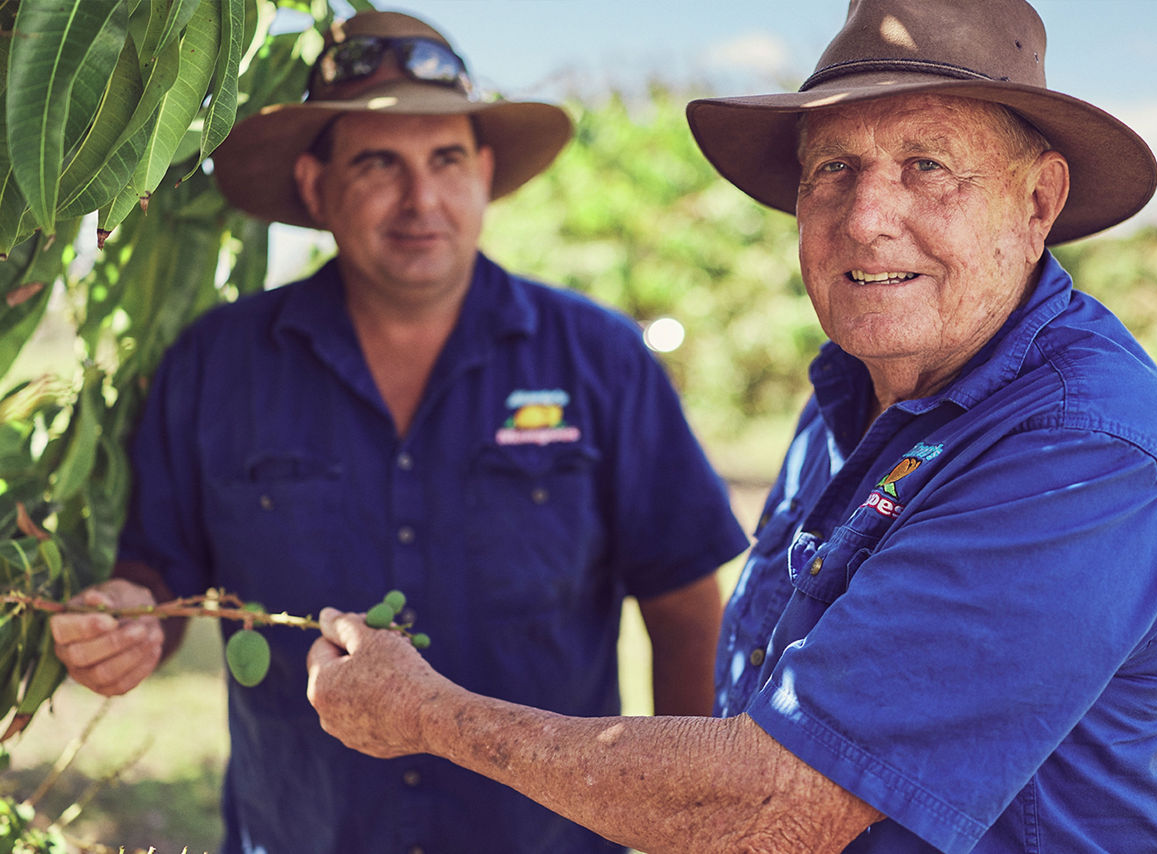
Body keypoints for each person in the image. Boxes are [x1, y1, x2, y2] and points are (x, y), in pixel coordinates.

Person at [304, 1, 1157, 852]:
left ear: (1037, 203)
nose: (868, 218)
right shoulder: (854, 391)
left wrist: (430, 717)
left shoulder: (1087, 451)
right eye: (835, 169)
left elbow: (774, 804)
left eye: (928, 166)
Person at [48, 10, 748, 854]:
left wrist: (687, 827)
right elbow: (158, 576)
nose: (422, 200)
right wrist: (124, 620)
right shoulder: (217, 365)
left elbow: (682, 609)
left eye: (446, 160)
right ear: (315, 185)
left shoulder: (599, 359)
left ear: (484, 173)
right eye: (380, 162)